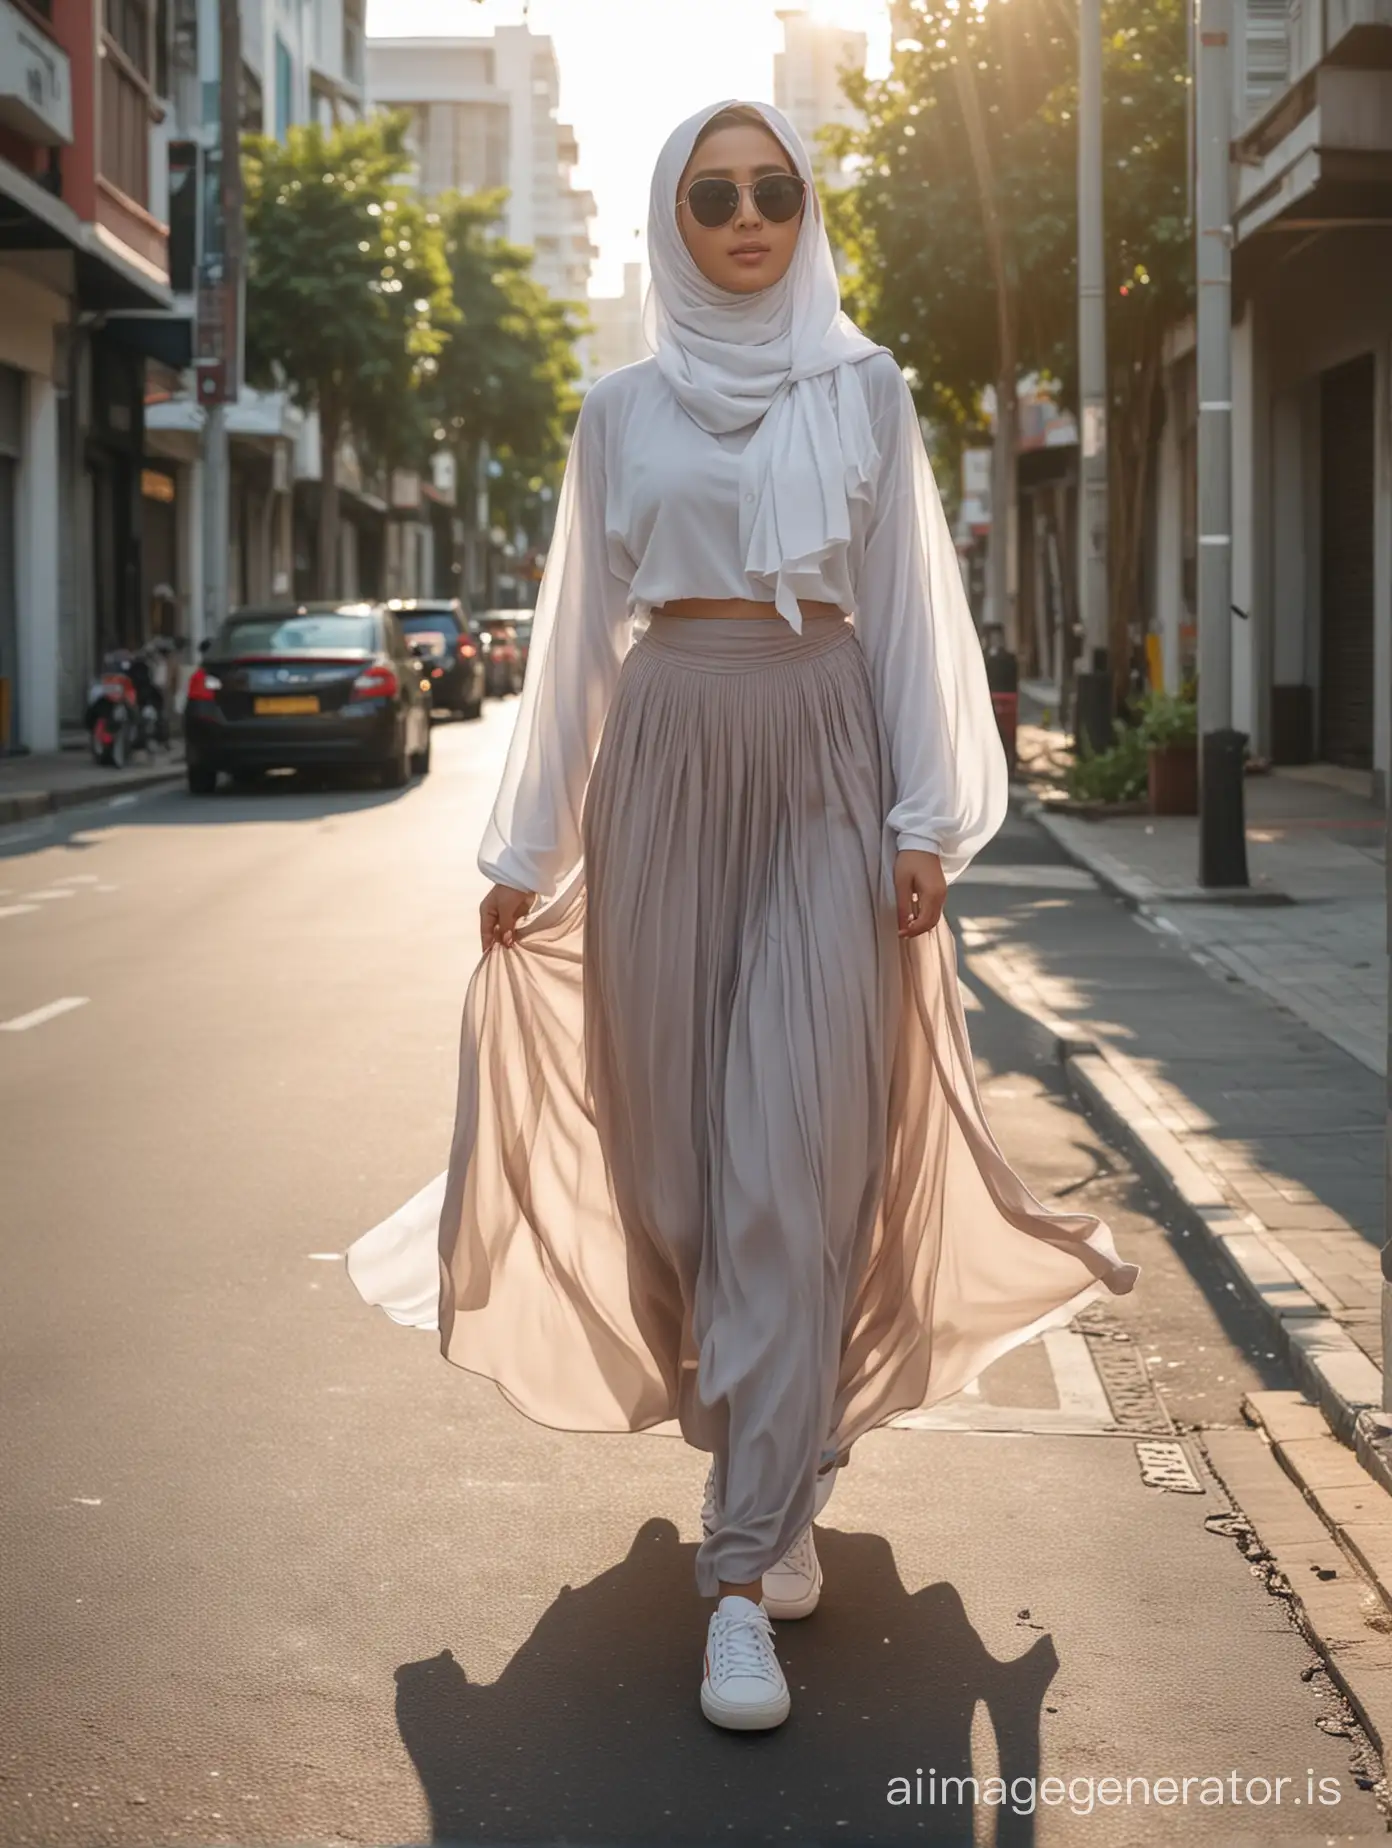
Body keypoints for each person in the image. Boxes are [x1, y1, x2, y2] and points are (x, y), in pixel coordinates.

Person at [346, 99, 1139, 1735]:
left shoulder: (863, 389)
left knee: (794, 1160)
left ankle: (737, 1580)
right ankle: (777, 1465)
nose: (748, 216)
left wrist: (927, 823)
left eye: (776, 189)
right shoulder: (616, 410)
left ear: (804, 209)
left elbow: (915, 613)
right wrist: (526, 846)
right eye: (714, 196)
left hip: (826, 770)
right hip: (662, 770)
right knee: (679, 1178)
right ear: (674, 219)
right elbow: (574, 641)